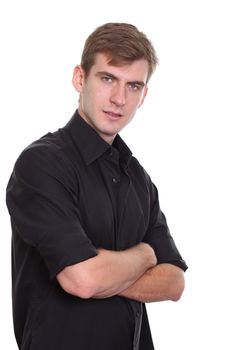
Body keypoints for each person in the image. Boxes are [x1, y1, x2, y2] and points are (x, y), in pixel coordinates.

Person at [6, 22, 188, 350]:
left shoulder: (139, 179)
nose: (119, 98)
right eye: (108, 79)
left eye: (133, 86)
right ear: (80, 78)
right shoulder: (42, 165)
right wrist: (145, 255)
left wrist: (104, 268)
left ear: (143, 95)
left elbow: (174, 282)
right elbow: (83, 280)